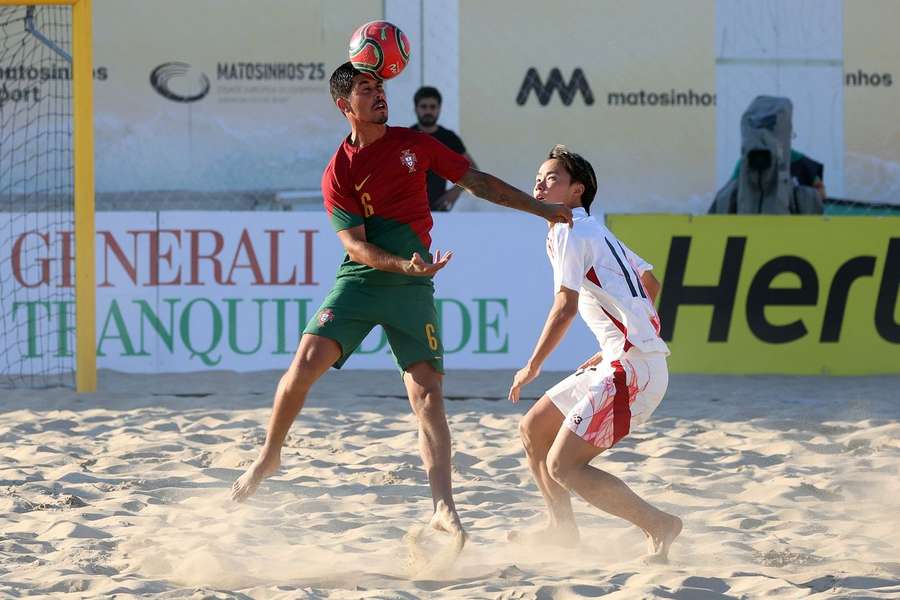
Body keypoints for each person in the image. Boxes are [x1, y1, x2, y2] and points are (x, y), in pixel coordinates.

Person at [231, 63, 573, 552]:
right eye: (366, 90)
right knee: (304, 365)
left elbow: (478, 182)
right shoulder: (339, 170)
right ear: (344, 105)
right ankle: (269, 456)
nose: (378, 95)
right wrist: (400, 265)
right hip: (368, 278)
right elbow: (355, 246)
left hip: (414, 283)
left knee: (428, 397)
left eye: (380, 87)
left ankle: (444, 509)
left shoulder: (415, 144)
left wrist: (540, 209)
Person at [507, 145, 682, 562]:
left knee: (562, 467)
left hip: (634, 371)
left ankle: (660, 525)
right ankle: (562, 531)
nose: (539, 183)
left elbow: (565, 307)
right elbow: (651, 283)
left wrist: (533, 365)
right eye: (539, 175)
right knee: (533, 430)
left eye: (552, 178)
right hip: (622, 360)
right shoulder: (592, 230)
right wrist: (613, 344)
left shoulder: (570, 228)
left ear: (576, 191)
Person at [410, 86, 477, 211]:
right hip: (410, 211)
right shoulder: (406, 137)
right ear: (415, 109)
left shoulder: (449, 138)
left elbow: (473, 169)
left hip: (439, 209)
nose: (428, 111)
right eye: (423, 107)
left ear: (439, 109)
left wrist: (454, 192)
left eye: (433, 107)